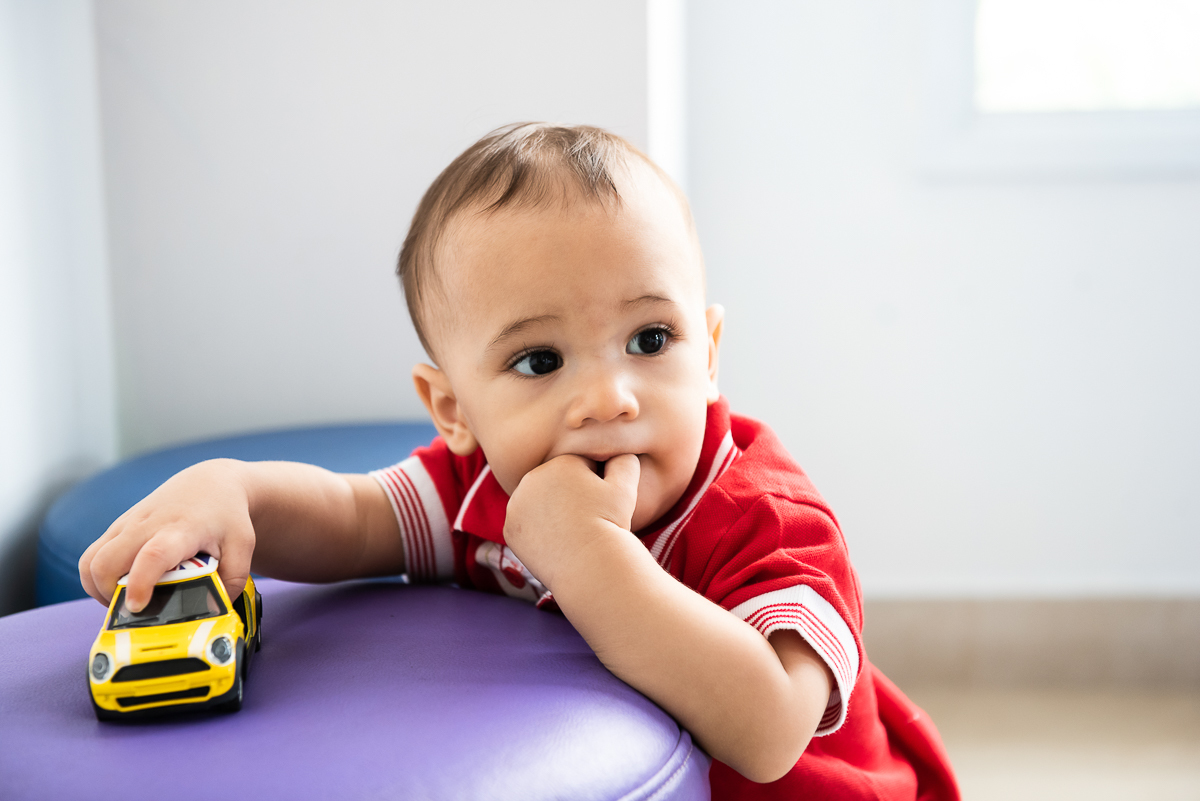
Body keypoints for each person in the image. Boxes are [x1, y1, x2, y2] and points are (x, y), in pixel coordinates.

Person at [78, 123, 959, 799]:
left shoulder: (765, 518)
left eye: (651, 338)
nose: (611, 395)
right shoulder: (480, 487)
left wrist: (586, 556)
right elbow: (353, 519)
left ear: (712, 349)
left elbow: (768, 731)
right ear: (454, 409)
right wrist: (234, 491)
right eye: (540, 361)